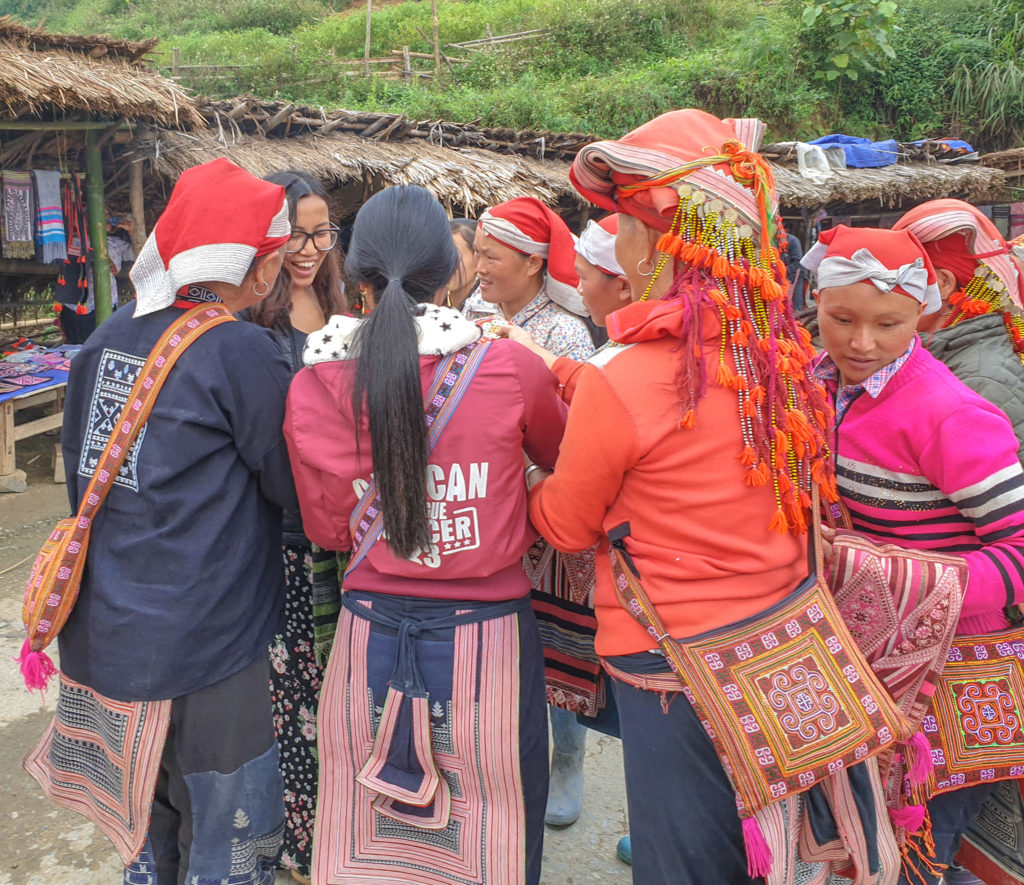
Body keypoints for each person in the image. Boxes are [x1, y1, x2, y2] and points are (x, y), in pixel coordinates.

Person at [527, 109, 835, 885]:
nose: (617, 243)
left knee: (683, 861)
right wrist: (564, 373)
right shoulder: (772, 349)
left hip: (671, 660)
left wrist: (529, 479)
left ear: (664, 245)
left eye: (625, 224)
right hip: (775, 636)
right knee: (749, 841)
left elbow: (566, 525)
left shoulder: (623, 376)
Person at [282, 184, 567, 885]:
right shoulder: (509, 366)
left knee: (374, 835)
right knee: (498, 833)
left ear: (355, 277)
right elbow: (562, 458)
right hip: (489, 641)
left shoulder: (313, 380)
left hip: (367, 639)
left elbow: (326, 527)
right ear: (452, 272)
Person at [40, 157, 299, 883]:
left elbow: (78, 478)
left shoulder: (105, 339)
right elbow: (293, 488)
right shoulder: (241, 350)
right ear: (259, 265)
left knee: (150, 830)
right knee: (222, 832)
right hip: (207, 646)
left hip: (111, 638)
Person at [802, 224, 1024, 885]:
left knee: (916, 856)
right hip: (881, 660)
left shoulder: (949, 412)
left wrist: (886, 575)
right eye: (840, 319)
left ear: (924, 312)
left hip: (959, 674)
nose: (861, 342)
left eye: (889, 324)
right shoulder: (821, 383)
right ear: (815, 300)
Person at [241, 169, 348, 884]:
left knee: (335, 684)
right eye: (296, 234)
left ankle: (337, 831)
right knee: (293, 696)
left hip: (337, 528)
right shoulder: (256, 321)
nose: (309, 249)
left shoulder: (339, 300)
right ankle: (299, 846)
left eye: (320, 232)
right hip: (283, 533)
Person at [892, 198, 1024, 456]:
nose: (885, 292)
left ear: (941, 283)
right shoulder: (952, 357)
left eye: (895, 277)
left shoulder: (979, 382)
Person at [464, 196, 595, 361]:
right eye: (477, 252)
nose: (479, 268)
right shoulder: (476, 307)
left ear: (533, 263)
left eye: (491, 258)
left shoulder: (564, 332)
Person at [443, 217, 479, 310]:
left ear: (478, 260)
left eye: (455, 256)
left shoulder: (486, 311)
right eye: (441, 255)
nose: (446, 263)